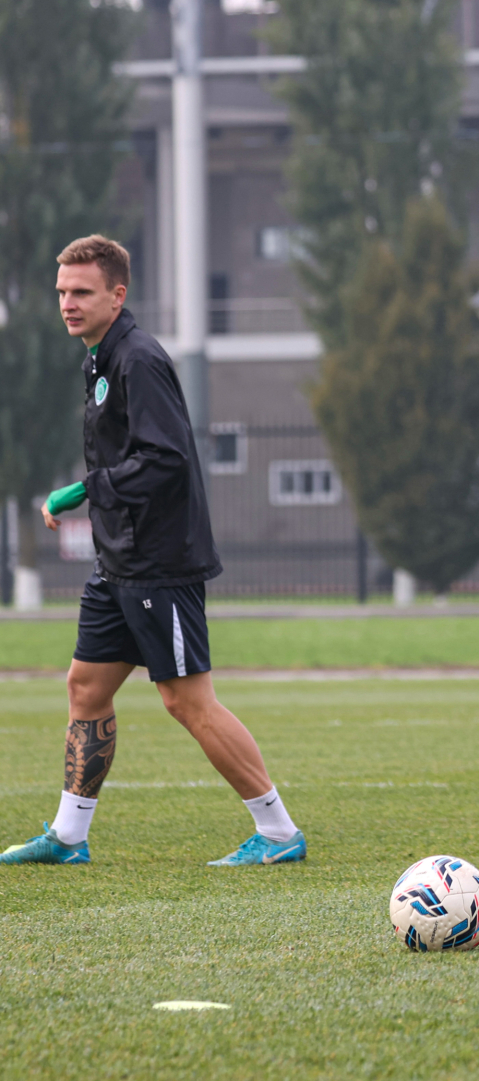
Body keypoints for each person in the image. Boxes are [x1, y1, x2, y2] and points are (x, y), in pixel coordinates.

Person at [1, 235, 305, 867]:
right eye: (61, 292)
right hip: (118, 561)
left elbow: (166, 459)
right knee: (86, 686)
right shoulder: (99, 359)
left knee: (186, 701)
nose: (67, 303)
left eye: (82, 292)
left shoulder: (138, 359)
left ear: (118, 295)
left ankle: (279, 833)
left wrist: (84, 490)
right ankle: (69, 837)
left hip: (158, 563)